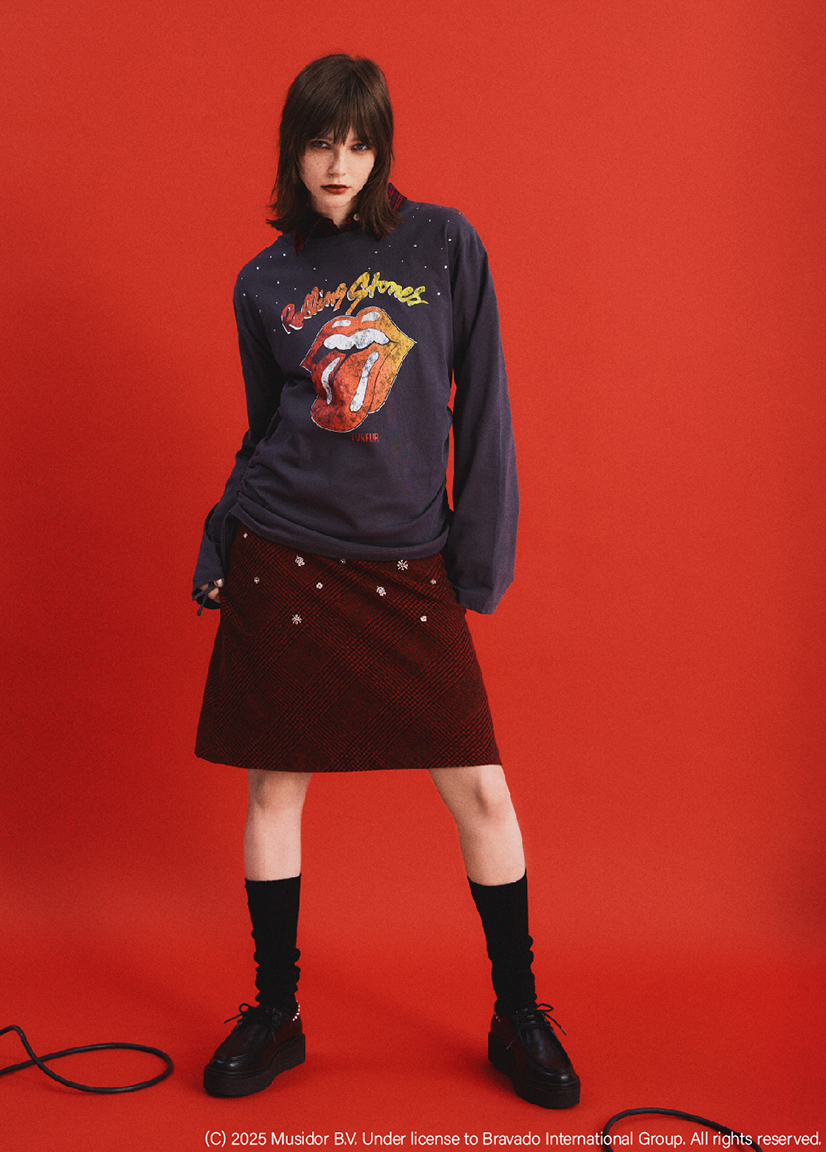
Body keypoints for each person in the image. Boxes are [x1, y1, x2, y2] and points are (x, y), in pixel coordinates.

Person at [192, 54, 579, 1110]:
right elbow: (266, 430)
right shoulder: (264, 280)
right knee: (274, 788)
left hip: (407, 561)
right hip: (283, 552)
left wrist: (476, 559)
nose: (339, 164)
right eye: (321, 143)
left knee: (482, 789)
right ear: (293, 149)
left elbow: (484, 404)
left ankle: (517, 1012)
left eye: (359, 144)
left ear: (381, 150)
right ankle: (277, 1013)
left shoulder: (443, 243)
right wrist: (222, 537)